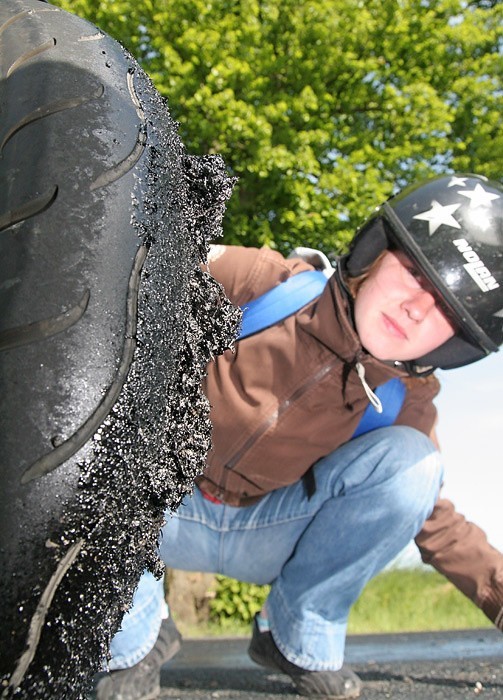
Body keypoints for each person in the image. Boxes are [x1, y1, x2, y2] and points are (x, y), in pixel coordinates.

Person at [96, 174, 503, 700]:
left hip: (274, 533)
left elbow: (431, 518)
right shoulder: (267, 285)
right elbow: (120, 274)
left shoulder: (408, 399)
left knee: (414, 464)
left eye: (447, 308)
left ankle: (294, 634)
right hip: (160, 506)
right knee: (86, 413)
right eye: (415, 273)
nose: (417, 308)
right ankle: (134, 636)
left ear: (456, 345)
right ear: (374, 254)